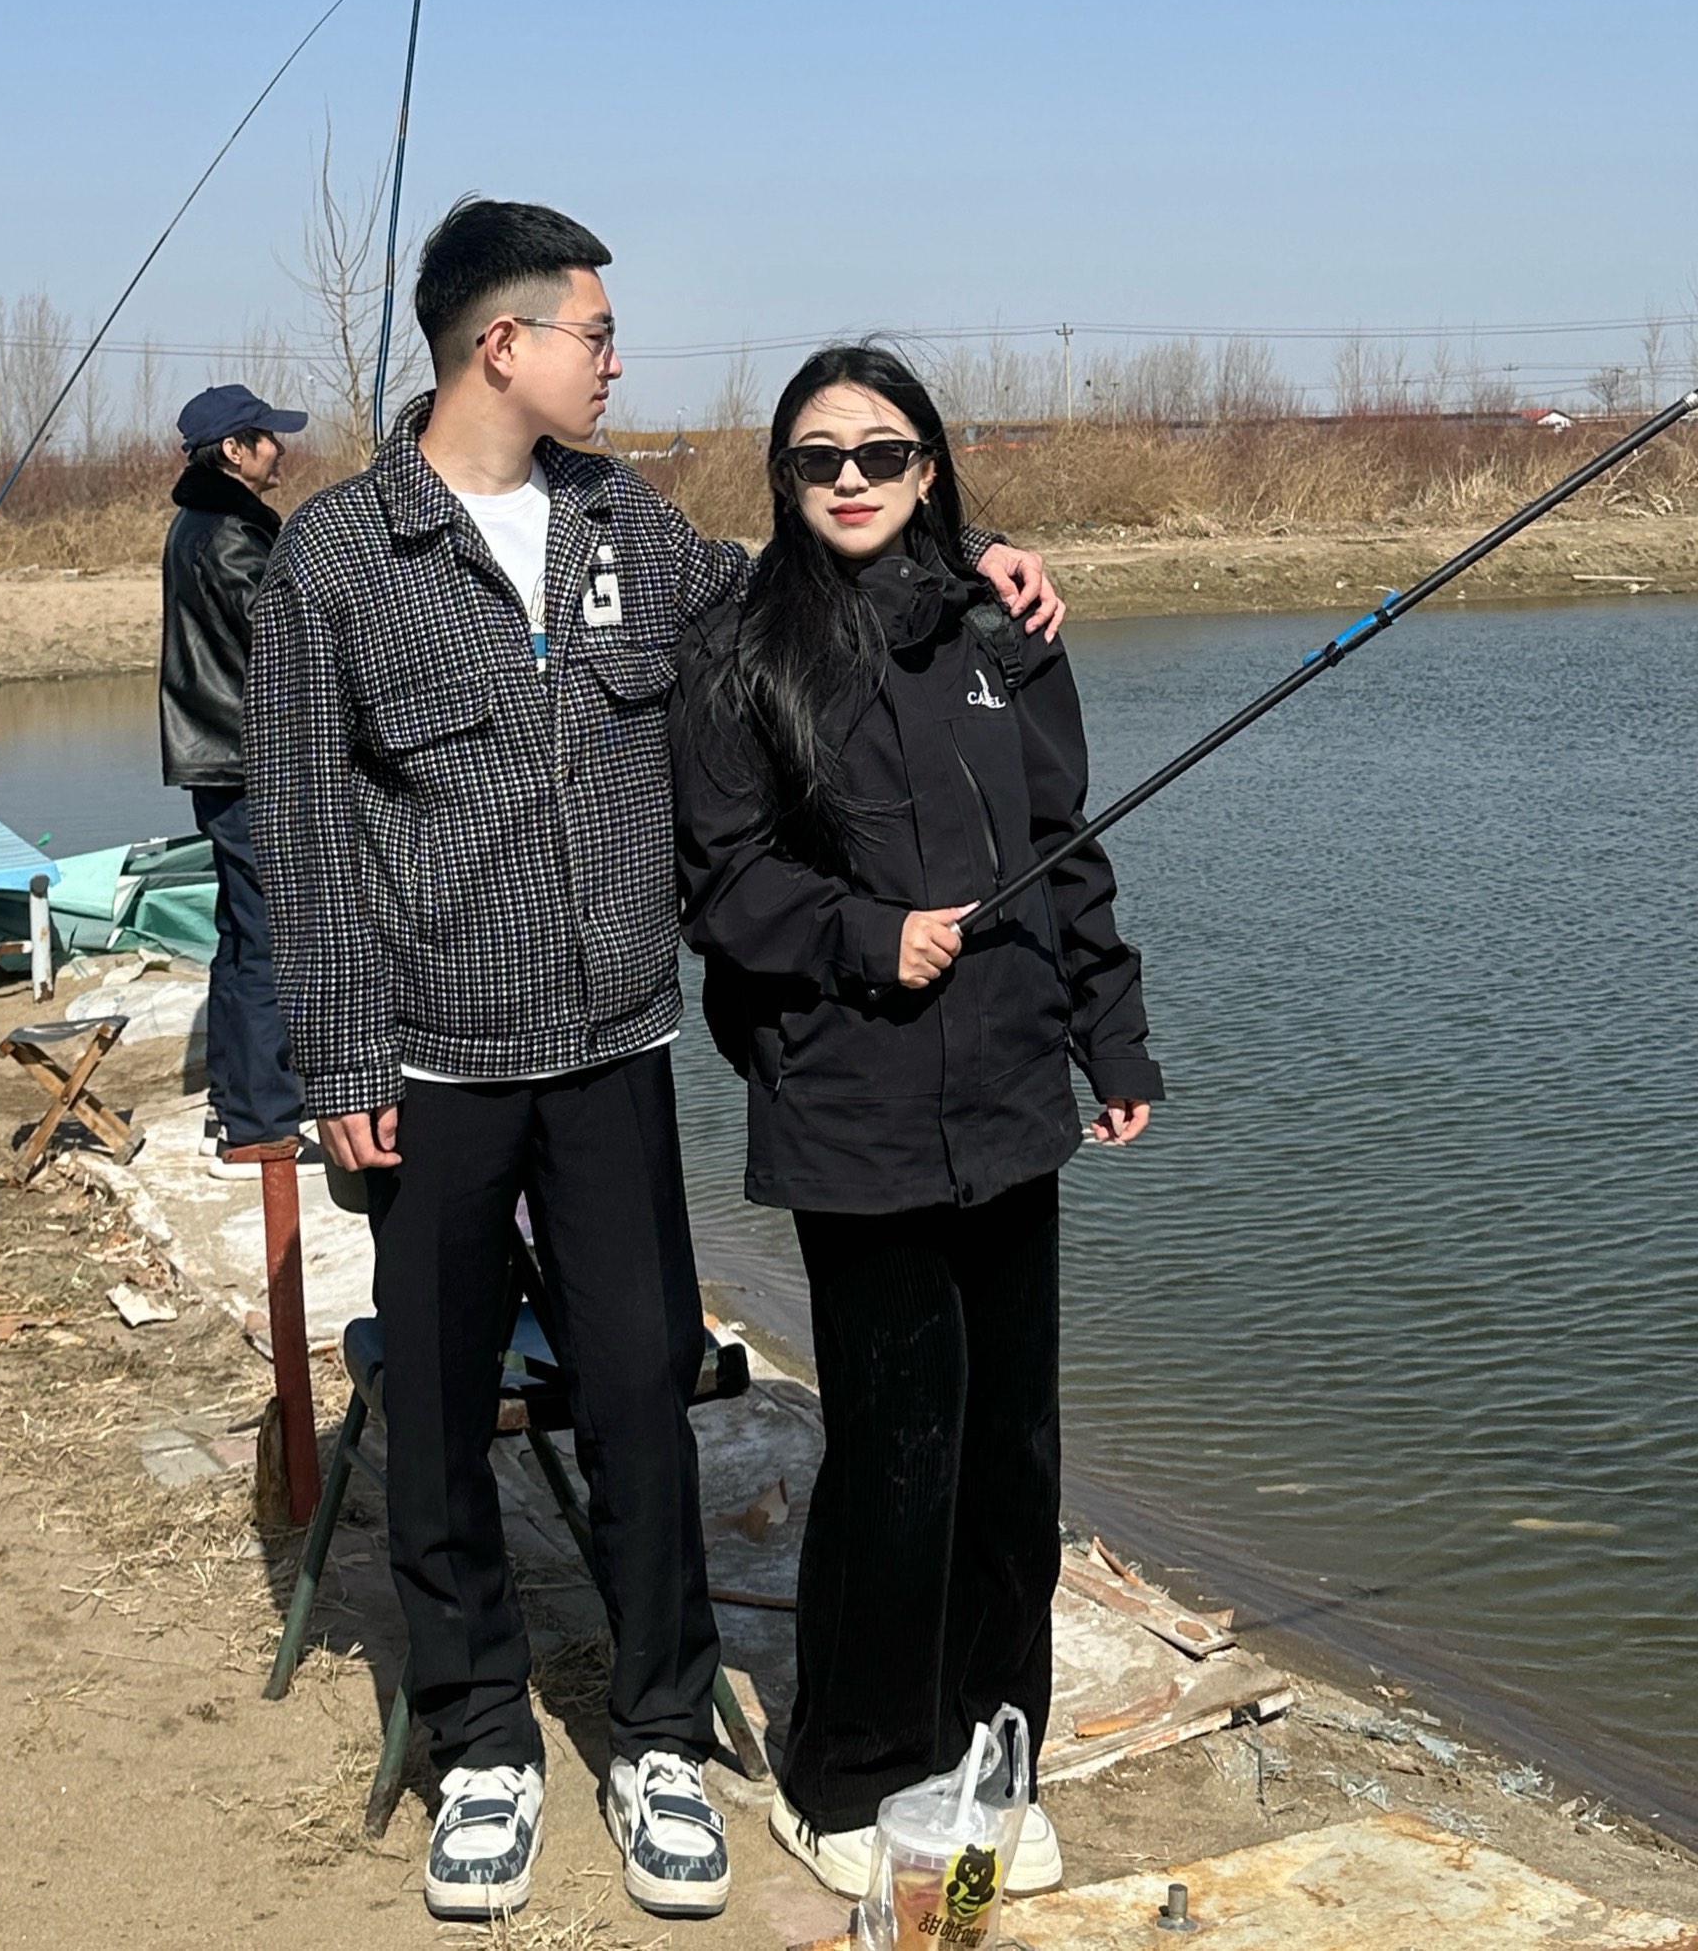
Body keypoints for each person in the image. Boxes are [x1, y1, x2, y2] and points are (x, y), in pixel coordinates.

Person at [245, 200, 1064, 1925]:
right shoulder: (337, 562)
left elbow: (805, 587)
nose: (614, 365)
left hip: (615, 1055)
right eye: (595, 337)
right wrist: (337, 1063)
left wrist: (973, 562)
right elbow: (302, 838)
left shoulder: (633, 527)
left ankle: (656, 1738)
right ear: (503, 345)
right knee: (450, 1417)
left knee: (639, 1398)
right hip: (439, 1072)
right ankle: (479, 1740)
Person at [669, 346, 1163, 1906]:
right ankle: (853, 1766)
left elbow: (1061, 841)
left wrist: (1111, 1026)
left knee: (1015, 1450)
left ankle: (992, 1749)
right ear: (785, 480)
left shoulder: (1001, 629)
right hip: (854, 1101)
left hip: (1014, 1089)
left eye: (882, 451)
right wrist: (866, 936)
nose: (853, 480)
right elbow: (725, 884)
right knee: (898, 1451)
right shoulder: (740, 650)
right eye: (818, 459)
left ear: (933, 465)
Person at [160, 384, 309, 1158]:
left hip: (220, 761)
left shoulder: (198, 524)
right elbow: (282, 648)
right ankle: (261, 1124)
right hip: (247, 761)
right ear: (235, 451)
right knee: (273, 936)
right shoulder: (230, 536)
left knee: (241, 935)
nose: (280, 448)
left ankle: (237, 1100)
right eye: (269, 438)